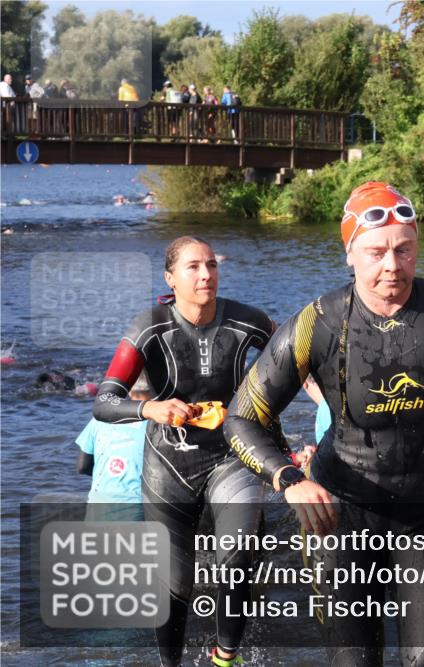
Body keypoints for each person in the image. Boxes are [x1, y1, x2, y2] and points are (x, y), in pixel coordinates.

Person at [224, 181, 424, 667]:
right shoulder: (315, 323)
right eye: (376, 251)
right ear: (350, 254)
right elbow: (242, 417)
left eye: (404, 250)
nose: (391, 266)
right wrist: (288, 479)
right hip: (339, 518)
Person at [92, 236, 296, 667]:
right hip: (169, 463)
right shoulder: (148, 326)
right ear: (170, 277)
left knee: (239, 553)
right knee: (176, 582)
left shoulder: (248, 320)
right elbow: (104, 401)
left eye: (211, 265)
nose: (206, 275)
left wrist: (326, 417)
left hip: (233, 454)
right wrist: (151, 407)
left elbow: (292, 367)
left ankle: (225, 657)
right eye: (193, 267)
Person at [77, 373, 152, 521]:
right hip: (136, 511)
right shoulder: (159, 424)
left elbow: (82, 467)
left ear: (128, 389)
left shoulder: (99, 419)